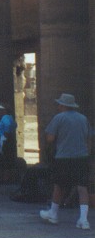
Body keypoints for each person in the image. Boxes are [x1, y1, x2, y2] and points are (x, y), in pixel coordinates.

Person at [39, 94, 91, 230]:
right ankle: (83, 219)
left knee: (59, 186)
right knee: (82, 188)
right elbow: (89, 137)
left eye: (59, 104)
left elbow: (50, 138)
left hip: (64, 157)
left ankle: (53, 213)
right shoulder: (83, 118)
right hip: (81, 157)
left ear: (63, 105)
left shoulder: (59, 118)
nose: (58, 106)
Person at [0, 104, 18, 184]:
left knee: (5, 159)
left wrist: (5, 135)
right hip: (8, 140)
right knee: (8, 159)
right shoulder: (10, 117)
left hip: (5, 141)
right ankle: (10, 178)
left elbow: (8, 126)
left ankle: (6, 179)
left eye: (1, 110)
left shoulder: (5, 117)